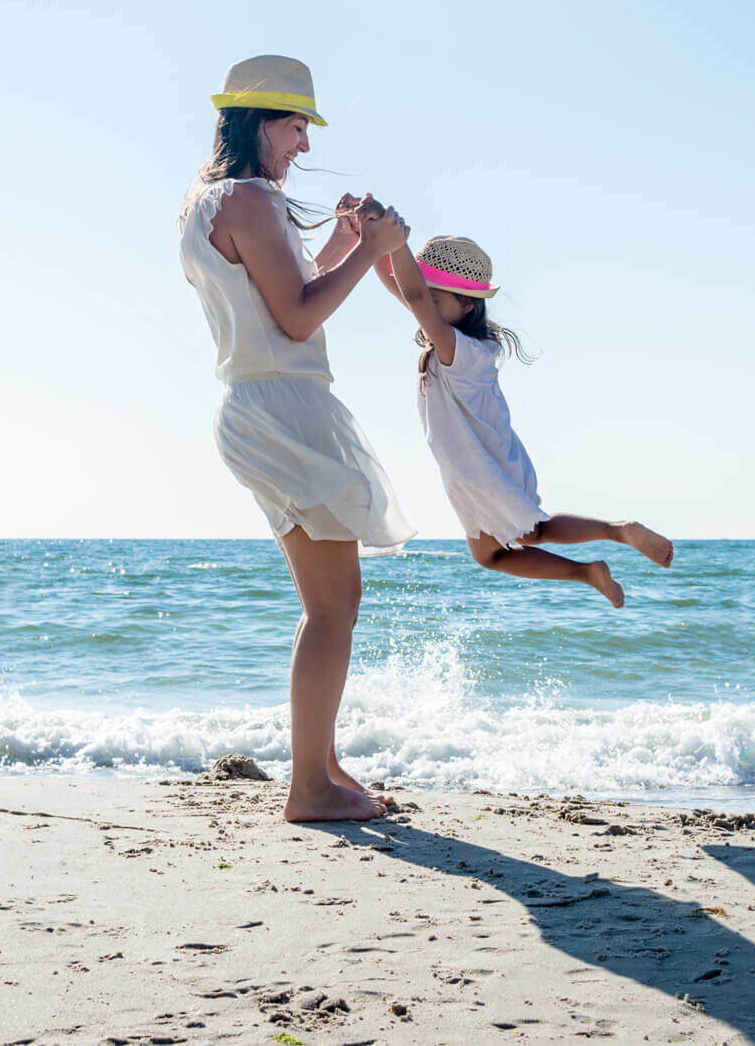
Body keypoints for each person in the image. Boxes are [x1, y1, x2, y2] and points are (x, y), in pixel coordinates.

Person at [178, 55, 413, 822]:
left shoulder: (217, 201)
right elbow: (299, 317)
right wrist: (373, 252)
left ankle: (323, 768)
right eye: (296, 127)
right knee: (332, 605)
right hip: (279, 410)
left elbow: (286, 293)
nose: (305, 145)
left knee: (333, 601)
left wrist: (344, 243)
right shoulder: (248, 199)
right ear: (259, 122)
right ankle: (309, 788)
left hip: (263, 405)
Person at [351, 224, 673, 607]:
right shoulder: (471, 345)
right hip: (484, 463)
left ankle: (606, 546)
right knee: (515, 541)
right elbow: (403, 288)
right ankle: (599, 556)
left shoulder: (458, 350)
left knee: (519, 539)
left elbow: (414, 294)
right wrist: (368, 237)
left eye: (434, 299)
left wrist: (394, 240)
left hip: (480, 469)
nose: (421, 306)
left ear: (466, 304)